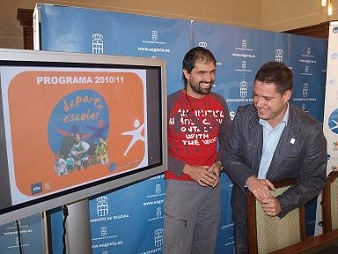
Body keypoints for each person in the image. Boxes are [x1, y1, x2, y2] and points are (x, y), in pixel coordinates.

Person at [222, 61, 327, 254]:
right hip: (244, 208)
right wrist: (249, 180)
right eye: (255, 95)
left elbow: (314, 179)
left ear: (286, 95)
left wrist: (282, 203)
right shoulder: (244, 116)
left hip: (283, 213)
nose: (258, 103)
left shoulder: (310, 131)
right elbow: (229, 155)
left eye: (267, 98)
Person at [163, 47, 232, 254]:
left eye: (212, 72)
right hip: (180, 185)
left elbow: (227, 140)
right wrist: (188, 169)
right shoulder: (168, 103)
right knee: (177, 248)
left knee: (206, 246)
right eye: (202, 73)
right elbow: (154, 151)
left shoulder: (219, 102)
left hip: (211, 186)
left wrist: (219, 164)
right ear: (186, 73)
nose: (209, 78)